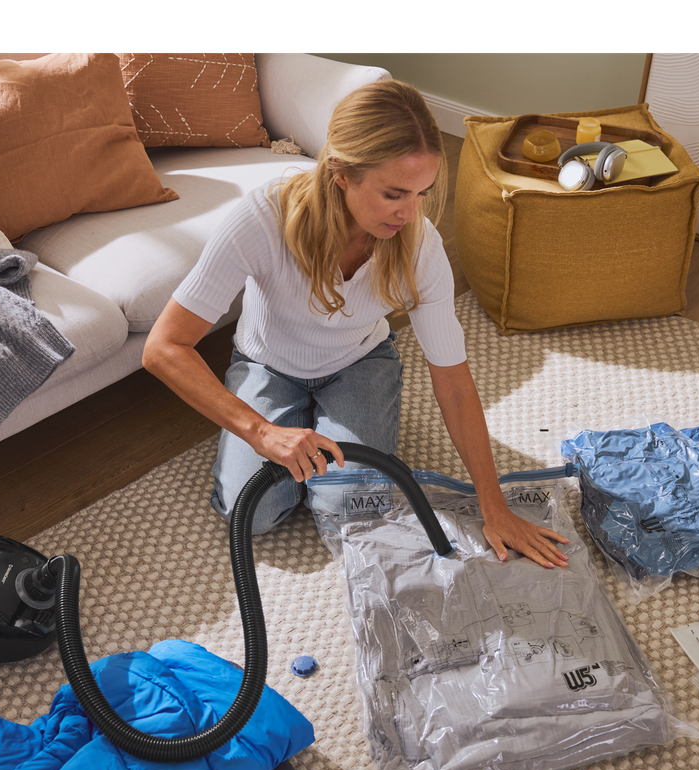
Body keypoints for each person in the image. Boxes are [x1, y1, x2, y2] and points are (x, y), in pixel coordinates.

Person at [143, 80, 568, 568]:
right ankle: (292, 423)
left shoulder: (418, 243)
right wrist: (261, 433)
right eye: (393, 194)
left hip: (359, 362)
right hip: (268, 363)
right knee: (254, 513)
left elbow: (452, 379)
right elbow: (163, 347)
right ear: (342, 173)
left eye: (422, 194)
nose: (410, 213)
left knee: (349, 511)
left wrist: (494, 508)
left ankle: (332, 424)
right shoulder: (263, 218)